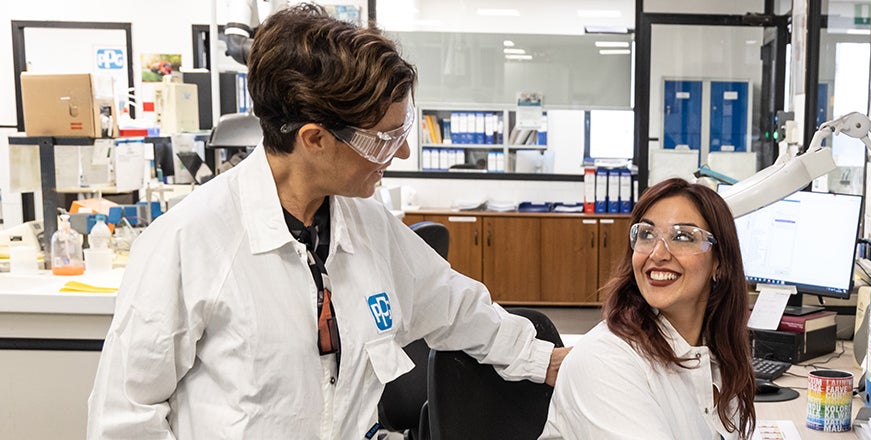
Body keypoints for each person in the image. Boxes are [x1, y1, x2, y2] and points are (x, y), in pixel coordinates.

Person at [87, 5, 568, 438]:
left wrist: (545, 360)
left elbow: (456, 307)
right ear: (315, 139)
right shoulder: (188, 243)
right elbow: (124, 417)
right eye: (383, 139)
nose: (400, 151)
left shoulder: (368, 226)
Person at [541, 178, 756, 439]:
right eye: (646, 234)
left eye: (682, 236)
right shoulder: (604, 360)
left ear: (719, 262)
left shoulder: (718, 354)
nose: (658, 253)